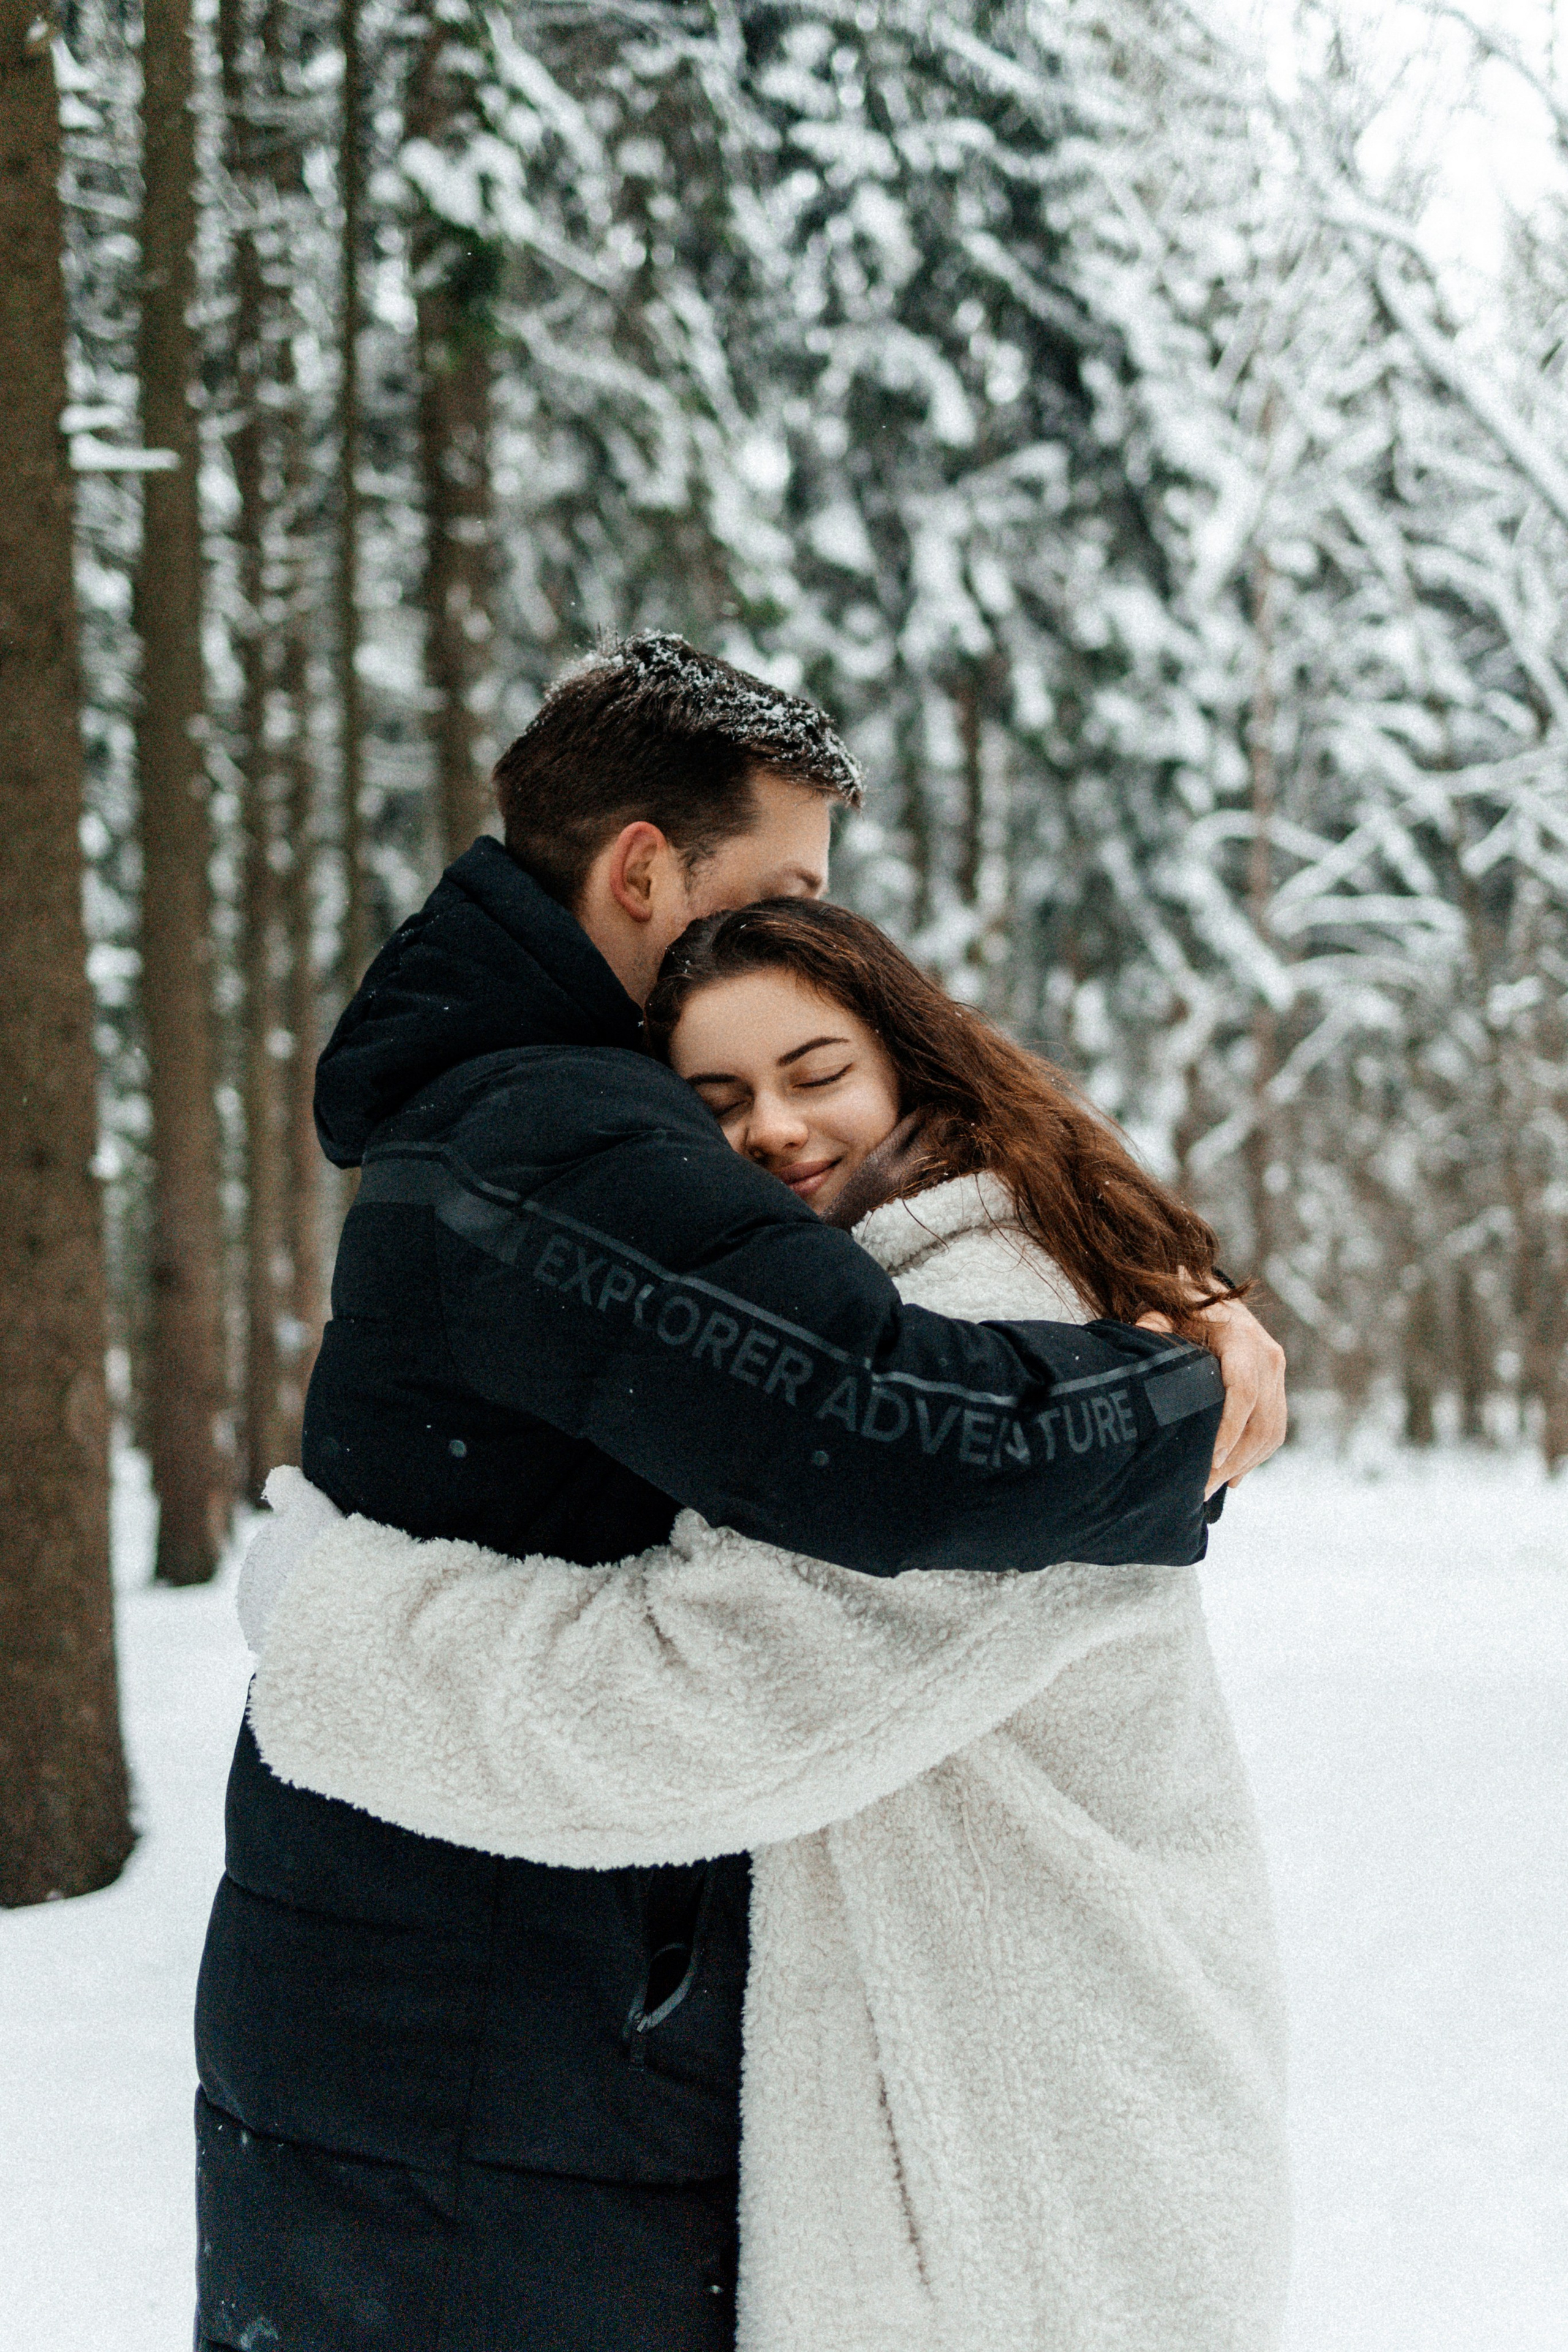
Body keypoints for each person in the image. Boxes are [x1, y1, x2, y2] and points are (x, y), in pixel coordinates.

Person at [194, 636, 1286, 2352]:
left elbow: (848, 1520)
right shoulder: (563, 1129)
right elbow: (882, 1437)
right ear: (643, 866)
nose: (765, 1132)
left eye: (816, 1062)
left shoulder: (934, 1261)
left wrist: (335, 1627)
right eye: (771, 890)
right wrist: (1182, 1387)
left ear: (913, 1055)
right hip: (485, 2061)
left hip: (898, 2136)